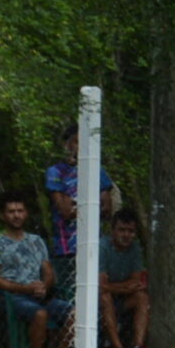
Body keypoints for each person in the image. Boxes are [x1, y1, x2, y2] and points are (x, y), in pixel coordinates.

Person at [0, 194, 71, 348]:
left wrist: (43, 286)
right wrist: (24, 289)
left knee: (75, 313)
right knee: (40, 314)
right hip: (12, 298)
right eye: (11, 211)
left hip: (40, 295)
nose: (16, 215)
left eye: (20, 211)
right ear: (3, 216)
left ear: (26, 213)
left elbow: (48, 272)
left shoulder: (36, 241)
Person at [43, 120, 116, 308]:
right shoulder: (56, 172)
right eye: (76, 142)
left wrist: (80, 206)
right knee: (71, 302)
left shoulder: (98, 171)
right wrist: (90, 204)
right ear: (67, 145)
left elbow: (106, 209)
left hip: (94, 247)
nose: (80, 148)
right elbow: (66, 211)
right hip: (67, 249)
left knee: (98, 298)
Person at [98, 207, 154, 348]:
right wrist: (124, 287)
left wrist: (116, 287)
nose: (126, 235)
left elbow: (136, 282)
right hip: (101, 302)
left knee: (142, 296)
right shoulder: (102, 247)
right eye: (122, 230)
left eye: (130, 231)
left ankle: (138, 346)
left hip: (121, 299)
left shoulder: (135, 248)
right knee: (105, 296)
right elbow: (101, 286)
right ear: (113, 230)